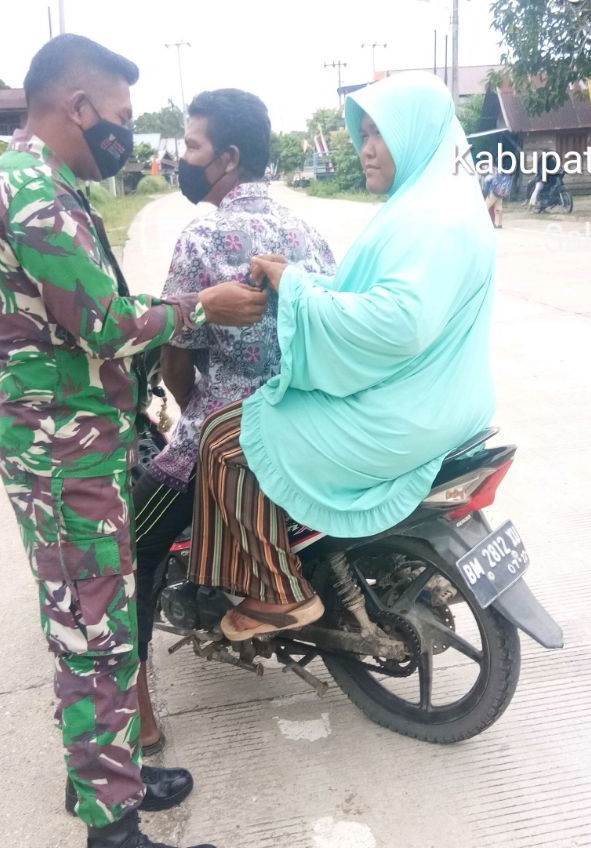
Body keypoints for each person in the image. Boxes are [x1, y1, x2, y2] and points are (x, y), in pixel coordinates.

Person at [0, 35, 267, 848]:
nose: (131, 139)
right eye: (125, 120)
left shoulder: (44, 183)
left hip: (77, 436)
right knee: (93, 636)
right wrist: (196, 309)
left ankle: (108, 774)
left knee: (96, 615)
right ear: (81, 108)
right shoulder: (30, 190)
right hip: (61, 448)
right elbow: (104, 325)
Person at [187, 71, 497, 639]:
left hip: (405, 412)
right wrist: (295, 277)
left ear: (418, 135)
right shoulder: (438, 204)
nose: (366, 148)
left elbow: (397, 322)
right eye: (364, 133)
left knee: (225, 441)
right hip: (436, 400)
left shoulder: (432, 221)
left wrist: (299, 293)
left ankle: (279, 593)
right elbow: (372, 297)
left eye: (382, 133)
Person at [131, 88, 335, 744]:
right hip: (307, 421)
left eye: (191, 147)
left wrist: (192, 415)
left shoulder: (203, 236)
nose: (182, 159)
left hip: (231, 426)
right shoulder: (306, 230)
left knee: (133, 542)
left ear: (228, 158)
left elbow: (176, 357)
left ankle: (134, 703)